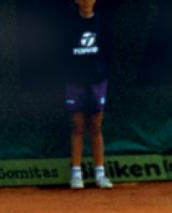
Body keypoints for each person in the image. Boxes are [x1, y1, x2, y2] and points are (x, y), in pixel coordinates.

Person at [65, 0, 113, 190]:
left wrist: (101, 72)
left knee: (96, 126)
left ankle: (100, 173)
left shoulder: (102, 23)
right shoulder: (69, 24)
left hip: (97, 82)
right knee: (77, 126)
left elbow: (108, 51)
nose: (86, 2)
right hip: (75, 82)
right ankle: (76, 174)